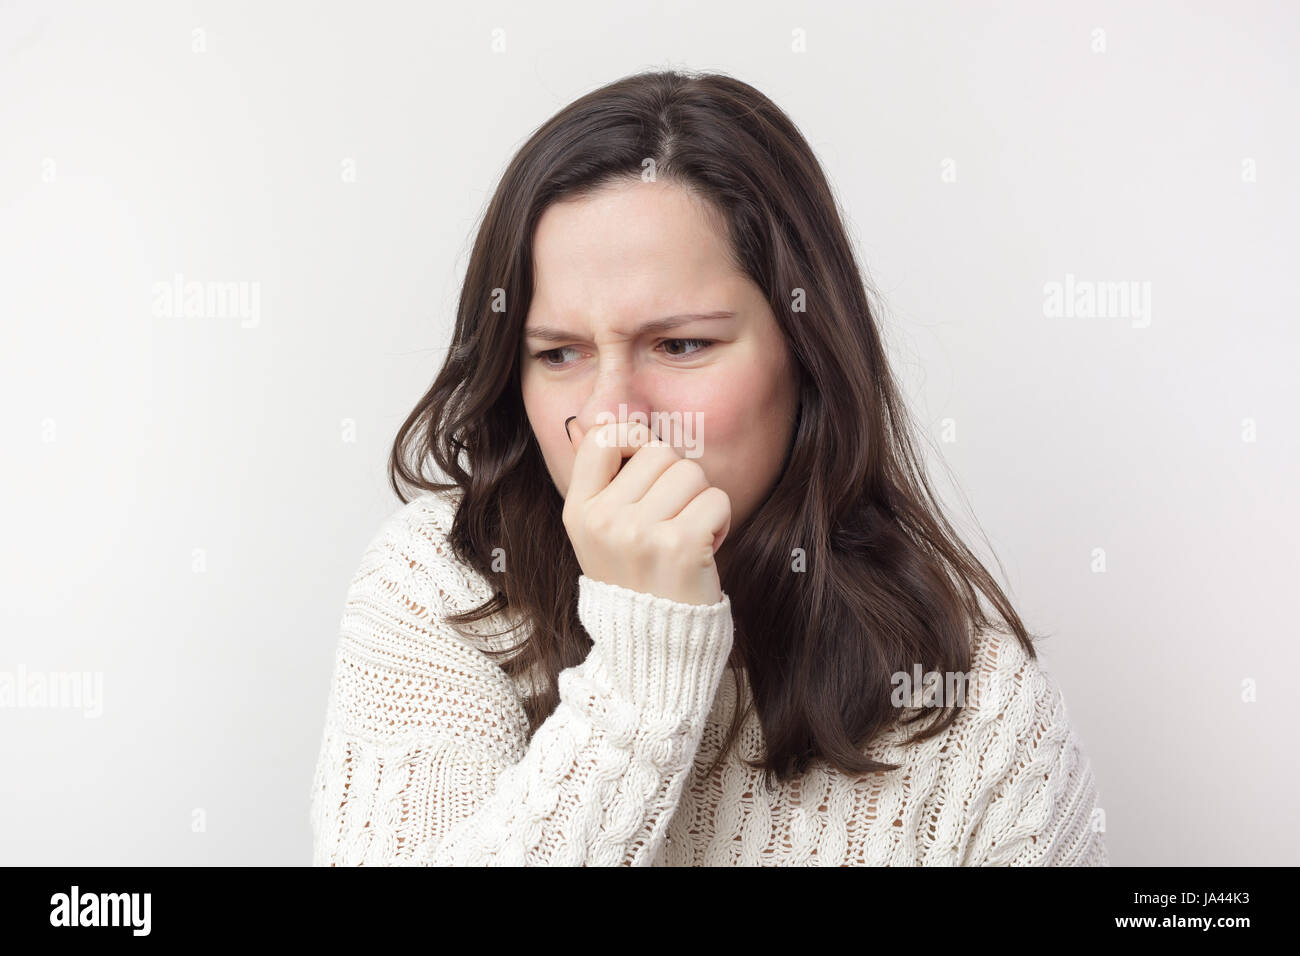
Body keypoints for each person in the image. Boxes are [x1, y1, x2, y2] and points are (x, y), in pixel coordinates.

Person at [309, 68, 1109, 866]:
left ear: (808, 352)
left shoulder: (981, 714)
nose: (616, 416)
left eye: (681, 344)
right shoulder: (438, 591)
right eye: (559, 354)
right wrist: (644, 661)